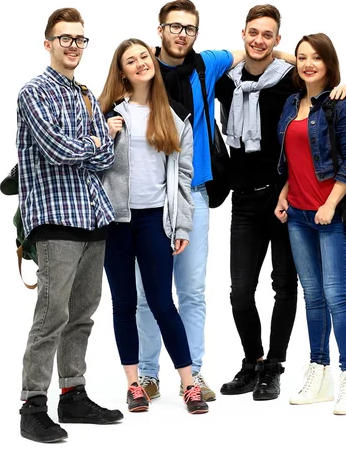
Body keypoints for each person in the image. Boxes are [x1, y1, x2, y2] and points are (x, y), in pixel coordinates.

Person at [16, 8, 123, 443]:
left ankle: (73, 394)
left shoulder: (84, 93)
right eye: (65, 38)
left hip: (93, 218)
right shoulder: (34, 92)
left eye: (80, 39)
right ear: (48, 43)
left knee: (82, 314)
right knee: (51, 315)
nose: (74, 45)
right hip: (55, 220)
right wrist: (96, 141)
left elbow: (105, 157)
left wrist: (96, 144)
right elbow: (59, 149)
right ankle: (32, 405)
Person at [134, 0, 245, 402]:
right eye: (175, 27)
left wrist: (304, 58)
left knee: (193, 290)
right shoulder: (141, 69)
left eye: (189, 29)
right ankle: (148, 374)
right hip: (148, 198)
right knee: (147, 293)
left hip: (194, 193)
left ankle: (193, 374)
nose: (182, 35)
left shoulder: (205, 64)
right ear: (160, 29)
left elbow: (253, 50)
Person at [98, 38, 208, 415]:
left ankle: (189, 385)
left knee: (163, 302)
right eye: (132, 60)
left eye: (145, 56)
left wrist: (181, 226)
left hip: (153, 221)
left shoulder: (174, 115)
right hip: (116, 222)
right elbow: (91, 168)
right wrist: (105, 136)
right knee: (124, 304)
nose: (141, 63)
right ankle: (134, 385)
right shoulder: (108, 114)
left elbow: (183, 176)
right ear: (122, 70)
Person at [275, 33, 346, 415]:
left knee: (336, 297)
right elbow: (297, 159)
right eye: (302, 58)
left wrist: (329, 204)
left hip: (331, 214)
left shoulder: (341, 104)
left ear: (329, 63)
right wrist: (285, 193)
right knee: (312, 296)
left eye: (316, 58)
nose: (308, 64)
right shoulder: (291, 104)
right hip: (296, 214)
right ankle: (319, 371)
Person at [214, 4, 298, 401]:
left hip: (284, 197)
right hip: (244, 200)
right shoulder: (226, 81)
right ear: (243, 34)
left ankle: (273, 367)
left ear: (277, 39)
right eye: (253, 32)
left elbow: (321, 72)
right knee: (240, 291)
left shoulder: (290, 78)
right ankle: (252, 362)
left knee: (284, 285)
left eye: (267, 34)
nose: (259, 40)